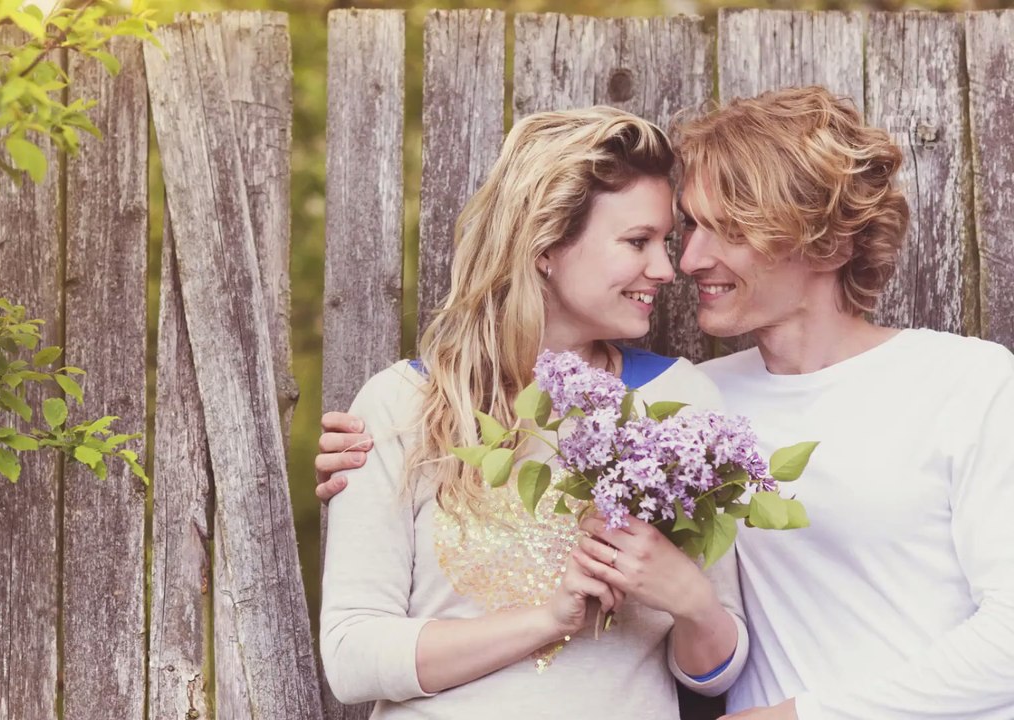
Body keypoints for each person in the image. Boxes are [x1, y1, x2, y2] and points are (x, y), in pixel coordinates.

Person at [316, 87, 1014, 720]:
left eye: (722, 230)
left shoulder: (958, 384)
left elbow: (1005, 642)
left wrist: (775, 696)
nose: (681, 264)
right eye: (661, 237)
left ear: (825, 243)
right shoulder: (687, 404)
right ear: (543, 246)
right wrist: (377, 446)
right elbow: (353, 646)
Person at [319, 106, 749, 719]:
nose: (664, 269)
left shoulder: (680, 403)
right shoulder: (404, 405)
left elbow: (713, 675)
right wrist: (548, 619)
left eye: (666, 243)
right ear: (546, 246)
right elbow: (351, 656)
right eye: (637, 242)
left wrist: (692, 600)